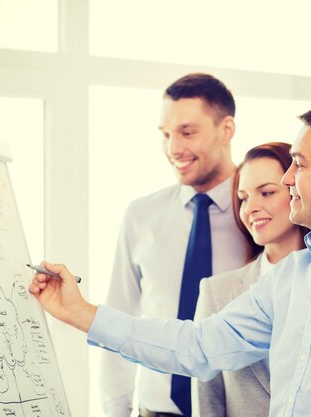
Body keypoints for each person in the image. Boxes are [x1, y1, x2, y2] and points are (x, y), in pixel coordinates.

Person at [30, 99, 311, 417]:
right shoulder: (291, 276)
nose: (288, 177)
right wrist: (79, 312)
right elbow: (198, 346)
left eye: (300, 164)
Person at [99, 73, 247, 417]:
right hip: (156, 411)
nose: (173, 149)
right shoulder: (141, 215)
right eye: (166, 135)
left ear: (226, 130)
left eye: (187, 132)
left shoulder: (263, 216)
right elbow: (117, 322)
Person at [194, 142, 308, 417]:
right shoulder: (217, 292)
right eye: (243, 198)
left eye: (267, 193)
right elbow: (207, 399)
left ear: (298, 191)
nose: (251, 208)